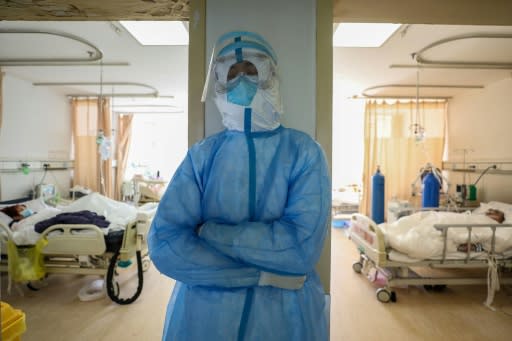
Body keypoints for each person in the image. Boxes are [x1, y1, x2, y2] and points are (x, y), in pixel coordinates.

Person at [148, 31, 330, 341]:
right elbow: (165, 245)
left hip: (284, 320)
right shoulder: (202, 156)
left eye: (251, 71)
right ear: (219, 81)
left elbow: (299, 248)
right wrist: (262, 275)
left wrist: (208, 232)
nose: (242, 81)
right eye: (232, 73)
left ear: (270, 75)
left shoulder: (304, 152)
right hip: (204, 321)